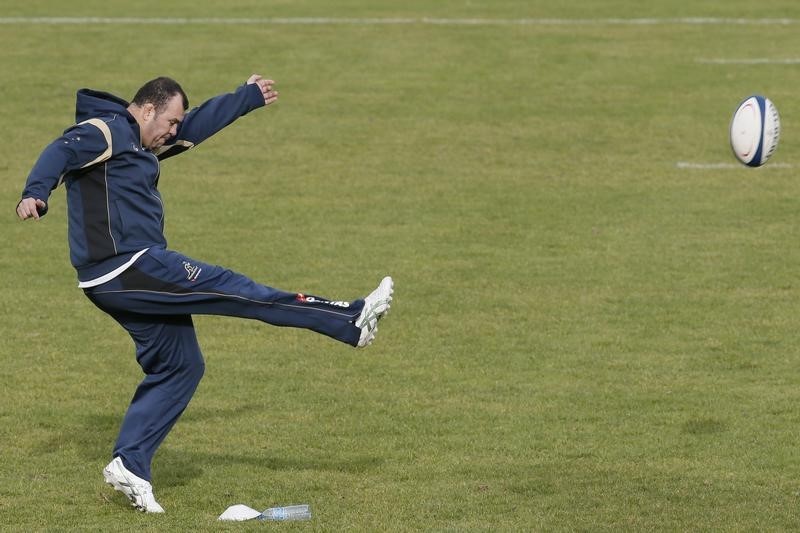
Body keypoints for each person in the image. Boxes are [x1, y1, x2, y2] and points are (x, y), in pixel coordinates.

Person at [16, 74, 394, 513]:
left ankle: (130, 464)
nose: (174, 131)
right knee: (240, 290)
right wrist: (35, 193)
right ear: (148, 108)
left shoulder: (138, 142)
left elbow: (194, 127)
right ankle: (349, 318)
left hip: (116, 278)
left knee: (181, 365)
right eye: (170, 121)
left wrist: (246, 97)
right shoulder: (105, 131)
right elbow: (59, 152)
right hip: (130, 266)